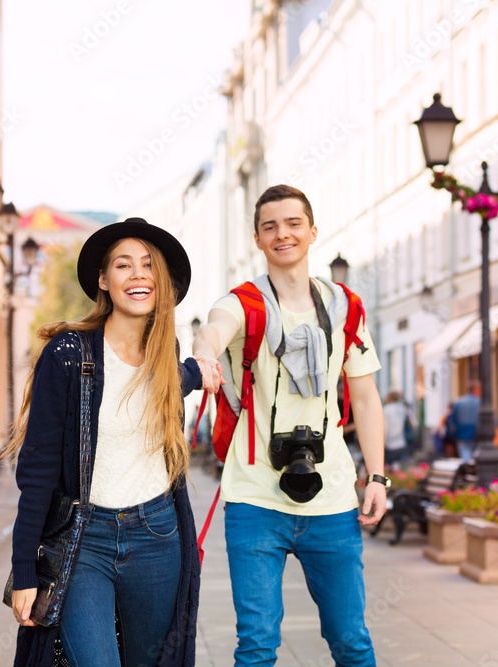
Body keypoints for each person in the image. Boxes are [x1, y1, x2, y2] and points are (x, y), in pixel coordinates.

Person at [193, 184, 386, 666]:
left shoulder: (344, 308)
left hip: (333, 498)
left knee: (351, 641)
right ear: (257, 239)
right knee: (256, 645)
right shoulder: (245, 304)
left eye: (293, 223)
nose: (283, 234)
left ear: (313, 231)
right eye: (270, 226)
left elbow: (364, 394)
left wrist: (378, 476)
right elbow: (215, 326)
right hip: (255, 499)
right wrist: (204, 353)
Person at [3, 218, 204, 667]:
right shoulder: (69, 354)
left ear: (162, 281)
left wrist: (197, 371)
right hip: (84, 541)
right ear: (103, 279)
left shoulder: (166, 354)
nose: (137, 275)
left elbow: (175, 380)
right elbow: (36, 472)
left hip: (157, 536)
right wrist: (23, 570)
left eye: (148, 266)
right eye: (123, 265)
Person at [447, 380, 482, 462]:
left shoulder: (458, 402)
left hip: (461, 433)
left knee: (465, 454)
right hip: (476, 434)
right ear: (475, 390)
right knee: (475, 455)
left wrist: (453, 433)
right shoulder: (480, 403)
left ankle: (468, 470)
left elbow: (453, 420)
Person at [382, 389, 413, 468]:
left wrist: (382, 444)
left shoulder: (386, 409)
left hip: (390, 445)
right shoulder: (403, 409)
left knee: (389, 470)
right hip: (402, 443)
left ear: (390, 398)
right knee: (402, 469)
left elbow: (385, 428)